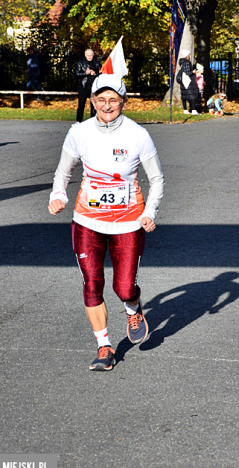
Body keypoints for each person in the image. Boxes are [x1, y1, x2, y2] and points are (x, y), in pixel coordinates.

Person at [47, 74, 165, 371]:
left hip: (128, 222)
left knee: (124, 287)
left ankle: (133, 307)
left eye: (113, 99)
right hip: (87, 220)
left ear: (124, 101)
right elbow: (62, 173)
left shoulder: (138, 134)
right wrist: (58, 195)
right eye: (101, 99)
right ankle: (104, 346)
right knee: (92, 284)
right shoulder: (79, 132)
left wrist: (149, 211)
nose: (107, 105)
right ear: (92, 102)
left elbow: (156, 179)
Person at [75, 48, 101, 123]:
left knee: (93, 105)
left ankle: (93, 121)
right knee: (81, 104)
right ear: (85, 55)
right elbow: (77, 74)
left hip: (93, 87)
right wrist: (85, 73)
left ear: (93, 55)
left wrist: (95, 74)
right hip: (83, 86)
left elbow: (102, 73)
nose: (89, 57)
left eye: (91, 55)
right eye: (88, 55)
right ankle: (78, 121)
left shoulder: (97, 63)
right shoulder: (81, 63)